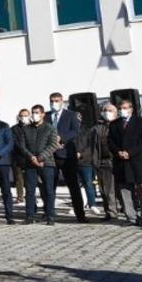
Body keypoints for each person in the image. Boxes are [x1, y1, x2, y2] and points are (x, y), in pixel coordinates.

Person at [109, 100, 142, 226]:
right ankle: (131, 216)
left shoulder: (141, 122)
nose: (122, 110)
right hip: (121, 161)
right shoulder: (114, 124)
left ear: (131, 109)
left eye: (125, 108)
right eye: (120, 108)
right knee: (125, 189)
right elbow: (111, 142)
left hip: (137, 159)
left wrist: (130, 152)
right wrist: (119, 152)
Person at [47, 93, 87, 223]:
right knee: (49, 187)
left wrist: (61, 138)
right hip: (50, 156)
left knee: (73, 186)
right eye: (52, 101)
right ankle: (49, 214)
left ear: (62, 101)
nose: (54, 103)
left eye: (57, 100)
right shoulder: (47, 116)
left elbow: (76, 131)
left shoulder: (70, 115)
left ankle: (80, 214)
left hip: (67, 156)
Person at [17, 105, 59, 225]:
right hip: (30, 163)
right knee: (30, 191)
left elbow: (52, 145)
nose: (34, 115)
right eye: (33, 112)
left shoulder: (50, 128)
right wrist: (32, 157)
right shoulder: (26, 129)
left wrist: (40, 158)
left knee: (48, 190)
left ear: (42, 114)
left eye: (37, 112)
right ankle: (30, 216)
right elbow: (22, 146)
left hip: (47, 163)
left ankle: (50, 216)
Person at [90, 104, 121, 221]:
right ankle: (109, 212)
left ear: (115, 112)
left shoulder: (119, 125)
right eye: (104, 110)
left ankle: (118, 211)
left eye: (110, 110)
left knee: (115, 189)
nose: (107, 112)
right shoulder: (97, 128)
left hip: (115, 160)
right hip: (101, 161)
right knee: (104, 190)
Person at [74, 114, 99, 215]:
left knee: (88, 183)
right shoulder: (68, 130)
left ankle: (92, 204)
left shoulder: (88, 130)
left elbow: (91, 146)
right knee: (76, 186)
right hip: (72, 161)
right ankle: (78, 205)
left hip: (86, 161)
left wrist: (82, 154)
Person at [10, 109, 30, 201]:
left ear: (29, 116)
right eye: (22, 115)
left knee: (30, 178)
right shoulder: (14, 128)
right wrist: (23, 150)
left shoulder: (33, 127)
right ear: (18, 117)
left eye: (26, 115)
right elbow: (14, 142)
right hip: (17, 157)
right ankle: (20, 196)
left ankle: (30, 195)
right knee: (18, 178)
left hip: (31, 156)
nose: (24, 117)